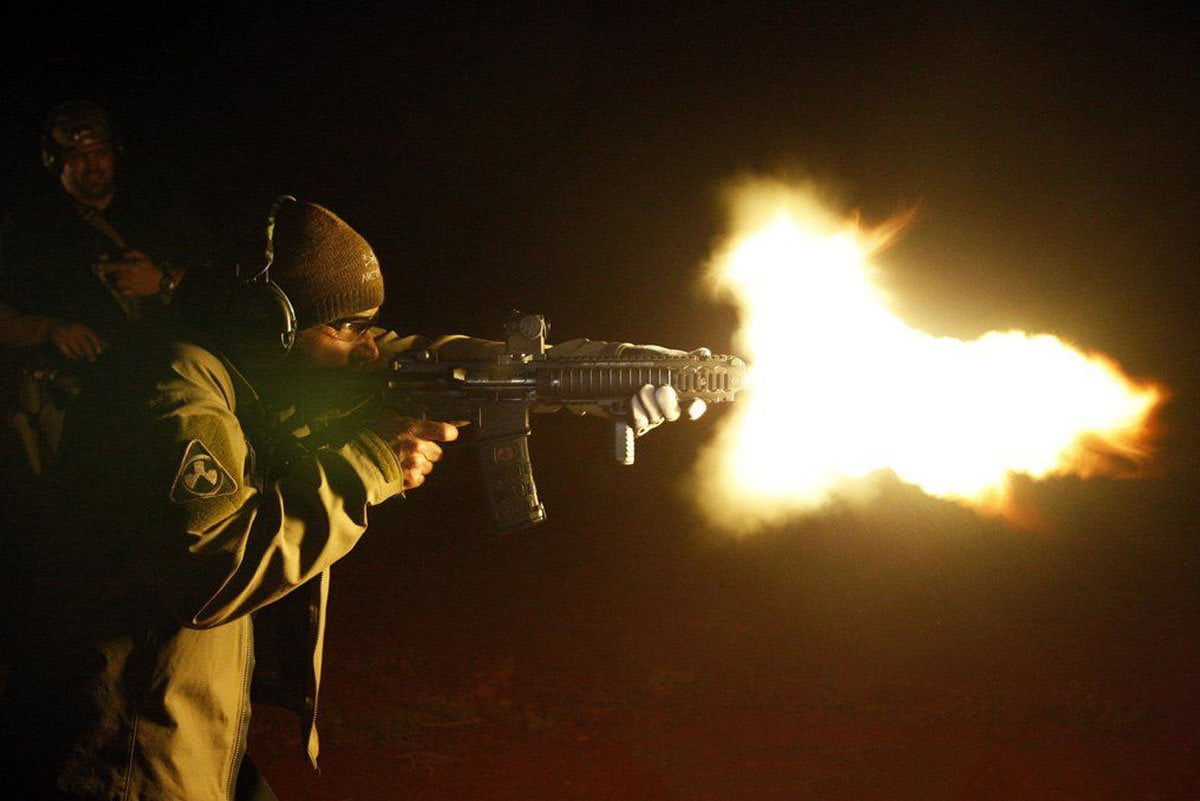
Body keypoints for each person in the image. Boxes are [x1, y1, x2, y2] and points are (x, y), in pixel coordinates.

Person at [0, 198, 698, 800]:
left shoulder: (248, 356)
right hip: (120, 747)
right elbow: (214, 563)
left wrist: (605, 373)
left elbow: (439, 356)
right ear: (265, 322)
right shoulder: (172, 386)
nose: (365, 344)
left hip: (182, 715)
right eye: (345, 328)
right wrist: (372, 462)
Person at [0, 99, 213, 474]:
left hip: (167, 391)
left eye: (99, 152)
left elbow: (219, 285)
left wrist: (161, 281)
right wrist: (51, 329)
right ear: (56, 162)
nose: (93, 164)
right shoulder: (29, 231)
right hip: (78, 403)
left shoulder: (160, 211)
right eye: (78, 156)